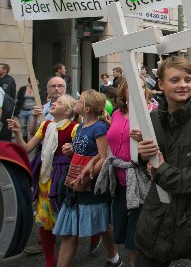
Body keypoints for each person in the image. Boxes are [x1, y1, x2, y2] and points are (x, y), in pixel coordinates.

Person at [135, 56, 191, 267]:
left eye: (188, 79)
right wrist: (143, 155)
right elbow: (148, 165)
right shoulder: (153, 119)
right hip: (158, 213)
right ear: (160, 84)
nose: (183, 85)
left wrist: (163, 172)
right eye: (175, 80)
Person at [7, 94, 79, 267]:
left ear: (68, 110)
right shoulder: (46, 125)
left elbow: (83, 153)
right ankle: (49, 260)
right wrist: (17, 133)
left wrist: (72, 150)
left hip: (63, 179)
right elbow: (27, 148)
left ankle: (64, 257)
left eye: (59, 103)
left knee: (64, 218)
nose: (53, 103)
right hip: (45, 178)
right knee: (44, 220)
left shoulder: (75, 128)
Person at [53, 90, 121, 267]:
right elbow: (82, 151)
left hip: (90, 185)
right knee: (70, 231)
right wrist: (71, 150)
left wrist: (86, 178)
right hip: (73, 182)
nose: (76, 101)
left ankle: (114, 257)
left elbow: (103, 156)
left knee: (102, 224)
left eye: (79, 100)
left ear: (88, 108)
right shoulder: (81, 125)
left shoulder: (99, 127)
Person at [95, 77, 149, 267]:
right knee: (127, 235)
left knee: (137, 237)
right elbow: (112, 142)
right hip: (119, 182)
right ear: (124, 92)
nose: (137, 90)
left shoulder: (152, 113)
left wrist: (145, 138)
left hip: (141, 182)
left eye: (141, 86)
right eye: (132, 87)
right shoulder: (117, 114)